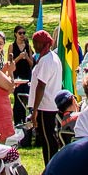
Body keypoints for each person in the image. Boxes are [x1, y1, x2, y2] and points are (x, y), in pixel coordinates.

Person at [27, 31, 66, 161]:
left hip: (45, 105)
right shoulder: (53, 58)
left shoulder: (46, 60)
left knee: (47, 139)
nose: (34, 46)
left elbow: (41, 86)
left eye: (35, 43)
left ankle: (50, 167)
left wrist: (35, 110)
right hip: (51, 104)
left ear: (41, 43)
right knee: (49, 136)